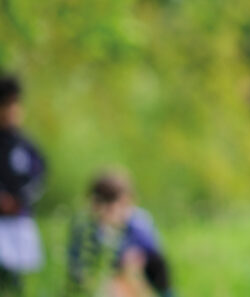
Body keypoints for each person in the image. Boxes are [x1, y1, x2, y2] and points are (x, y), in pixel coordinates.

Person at [67, 169, 174, 297]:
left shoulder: (138, 221)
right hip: (101, 276)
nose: (123, 211)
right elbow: (77, 264)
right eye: (119, 205)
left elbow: (154, 255)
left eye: (127, 204)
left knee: (139, 267)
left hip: (138, 272)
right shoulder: (85, 226)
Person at [0, 75, 46, 296]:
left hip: (19, 219)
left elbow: (39, 177)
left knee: (18, 281)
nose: (12, 111)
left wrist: (21, 199)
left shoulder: (26, 146)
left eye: (15, 104)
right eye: (6, 105)